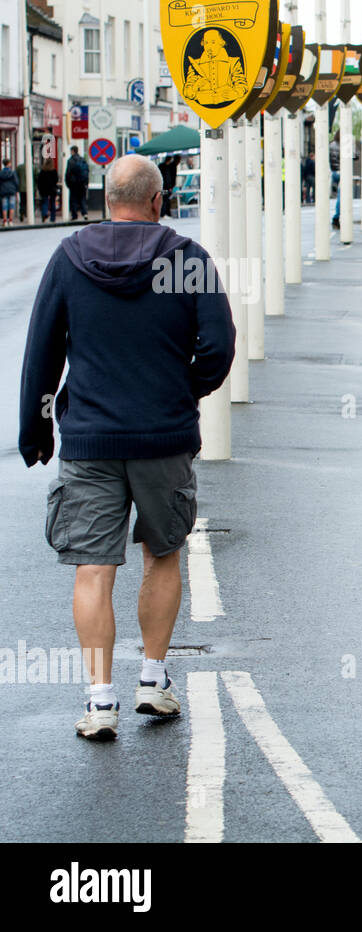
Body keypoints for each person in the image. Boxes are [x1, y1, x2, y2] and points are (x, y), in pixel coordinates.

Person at [18, 154, 236, 741]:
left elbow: (42, 353)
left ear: (104, 199)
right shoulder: (186, 260)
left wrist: (35, 428)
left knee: (93, 565)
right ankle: (153, 680)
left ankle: (99, 700)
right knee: (162, 555)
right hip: (162, 437)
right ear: (158, 200)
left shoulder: (68, 259)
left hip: (90, 437)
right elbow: (218, 346)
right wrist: (181, 390)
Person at [65, 146, 91, 221]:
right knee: (82, 198)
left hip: (73, 184)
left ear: (72, 151)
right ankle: (85, 213)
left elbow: (68, 173)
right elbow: (87, 171)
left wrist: (68, 183)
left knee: (74, 199)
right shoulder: (82, 159)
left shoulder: (70, 161)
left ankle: (74, 215)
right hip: (82, 183)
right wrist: (86, 182)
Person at [37, 158, 60, 223]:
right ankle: (52, 218)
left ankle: (44, 214)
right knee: (53, 203)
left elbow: (39, 181)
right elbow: (56, 180)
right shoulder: (54, 171)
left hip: (44, 190)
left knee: (45, 202)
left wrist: (40, 189)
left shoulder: (43, 171)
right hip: (52, 189)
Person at [0, 158, 18, 227]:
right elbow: (16, 182)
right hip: (12, 190)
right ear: (9, 164)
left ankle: (5, 221)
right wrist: (16, 189)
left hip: (3, 191)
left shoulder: (1, 173)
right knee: (12, 206)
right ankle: (10, 220)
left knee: (4, 206)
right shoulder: (12, 172)